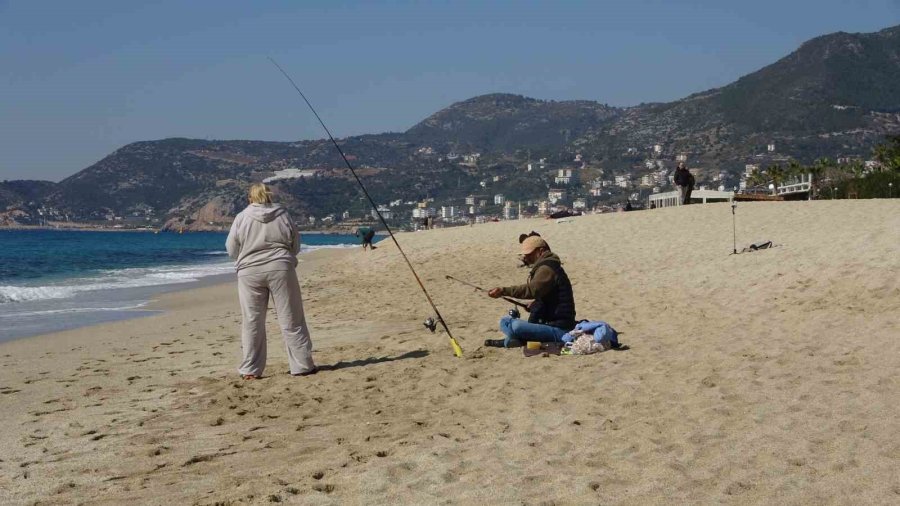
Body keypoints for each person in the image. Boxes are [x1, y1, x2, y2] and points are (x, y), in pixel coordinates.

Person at [225, 183, 316, 379]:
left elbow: (231, 249)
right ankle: (302, 365)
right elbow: (296, 244)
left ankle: (251, 369)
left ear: (250, 198)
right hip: (280, 267)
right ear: (269, 196)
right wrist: (286, 257)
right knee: (291, 317)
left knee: (252, 321)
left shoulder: (241, 217)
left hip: (249, 271)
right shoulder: (283, 214)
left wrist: (246, 255)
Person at [484, 236, 577, 348]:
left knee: (515, 326)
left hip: (559, 328)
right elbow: (546, 295)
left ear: (541, 251)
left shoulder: (547, 268)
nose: (525, 257)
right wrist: (535, 304)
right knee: (505, 321)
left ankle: (517, 340)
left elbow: (531, 290)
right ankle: (519, 340)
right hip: (549, 323)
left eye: (529, 254)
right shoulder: (546, 266)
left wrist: (503, 291)